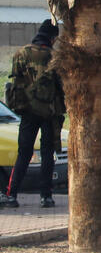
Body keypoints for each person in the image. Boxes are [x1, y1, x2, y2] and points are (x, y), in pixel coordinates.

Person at [2, 19, 64, 209]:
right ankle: (46, 197)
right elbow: (61, 85)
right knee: (47, 154)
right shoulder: (54, 57)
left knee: (24, 153)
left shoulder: (21, 53)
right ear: (52, 38)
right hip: (49, 112)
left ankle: (11, 195)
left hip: (27, 112)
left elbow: (16, 80)